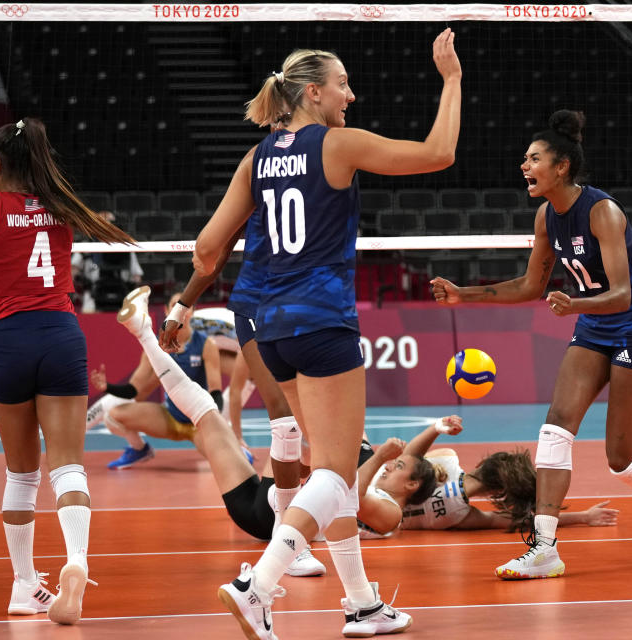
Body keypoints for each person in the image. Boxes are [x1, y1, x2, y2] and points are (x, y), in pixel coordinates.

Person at [192, 30, 461, 639]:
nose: (351, 94)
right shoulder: (336, 145)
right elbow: (439, 152)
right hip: (321, 317)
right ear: (313, 93)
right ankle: (256, 587)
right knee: (337, 474)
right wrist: (450, 79)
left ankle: (361, 603)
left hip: (269, 327)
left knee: (327, 473)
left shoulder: (257, 157)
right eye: (342, 84)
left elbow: (208, 251)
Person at [431, 110, 632, 580]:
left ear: (561, 167)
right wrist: (464, 294)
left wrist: (575, 304)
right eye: (524, 159)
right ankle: (545, 547)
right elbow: (531, 285)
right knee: (555, 427)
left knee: (620, 458)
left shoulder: (602, 212)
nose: (524, 165)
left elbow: (624, 293)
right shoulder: (545, 217)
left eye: (534, 158)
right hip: (594, 326)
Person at [0, 115, 133, 624]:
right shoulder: (64, 208)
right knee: (67, 467)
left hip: (11, 340)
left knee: (20, 475)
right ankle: (77, 562)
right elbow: (27, 186)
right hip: (61, 335)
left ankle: (24, 585)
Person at [114, 286, 326, 577]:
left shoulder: (208, 343)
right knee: (287, 425)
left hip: (254, 509)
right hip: (262, 507)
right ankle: (291, 543)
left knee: (210, 411)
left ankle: (142, 332)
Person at [357, 417, 619, 538]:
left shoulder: (446, 460)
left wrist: (437, 427)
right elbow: (518, 520)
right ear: (498, 493)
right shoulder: (458, 515)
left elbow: (411, 458)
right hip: (379, 505)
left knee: (350, 427)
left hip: (372, 492)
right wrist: (583, 516)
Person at [91, 292, 229, 469]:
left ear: (193, 312)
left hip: (198, 422)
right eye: (175, 306)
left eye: (186, 307)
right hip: (169, 418)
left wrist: (214, 425)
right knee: (114, 415)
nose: (182, 312)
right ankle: (140, 449)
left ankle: (237, 449)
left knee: (226, 461)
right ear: (166, 311)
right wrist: (106, 387)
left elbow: (216, 392)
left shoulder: (206, 345)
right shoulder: (154, 345)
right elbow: (133, 390)